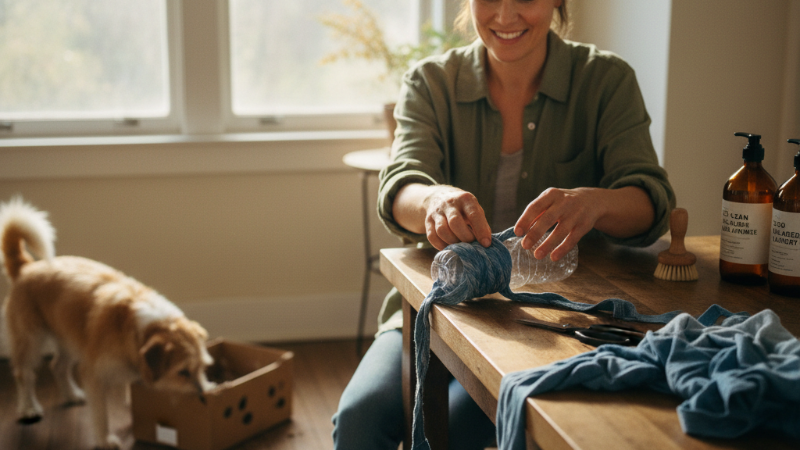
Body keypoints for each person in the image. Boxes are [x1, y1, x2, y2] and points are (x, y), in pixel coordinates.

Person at [332, 0, 675, 448]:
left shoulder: (606, 81)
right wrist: (434, 199)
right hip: (438, 308)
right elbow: (399, 187)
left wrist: (594, 203)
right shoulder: (431, 82)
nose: (505, 15)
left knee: (451, 428)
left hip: (556, 318)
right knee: (359, 418)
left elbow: (651, 200)